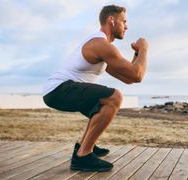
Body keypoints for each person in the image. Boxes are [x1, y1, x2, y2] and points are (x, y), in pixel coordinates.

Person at [42, 4, 148, 172]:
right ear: (111, 20)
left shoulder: (101, 46)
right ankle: (83, 156)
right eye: (124, 21)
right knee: (114, 97)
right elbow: (138, 75)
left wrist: (136, 55)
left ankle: (83, 146)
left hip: (57, 90)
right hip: (59, 89)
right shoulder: (101, 44)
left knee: (102, 104)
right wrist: (143, 49)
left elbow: (129, 78)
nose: (126, 26)